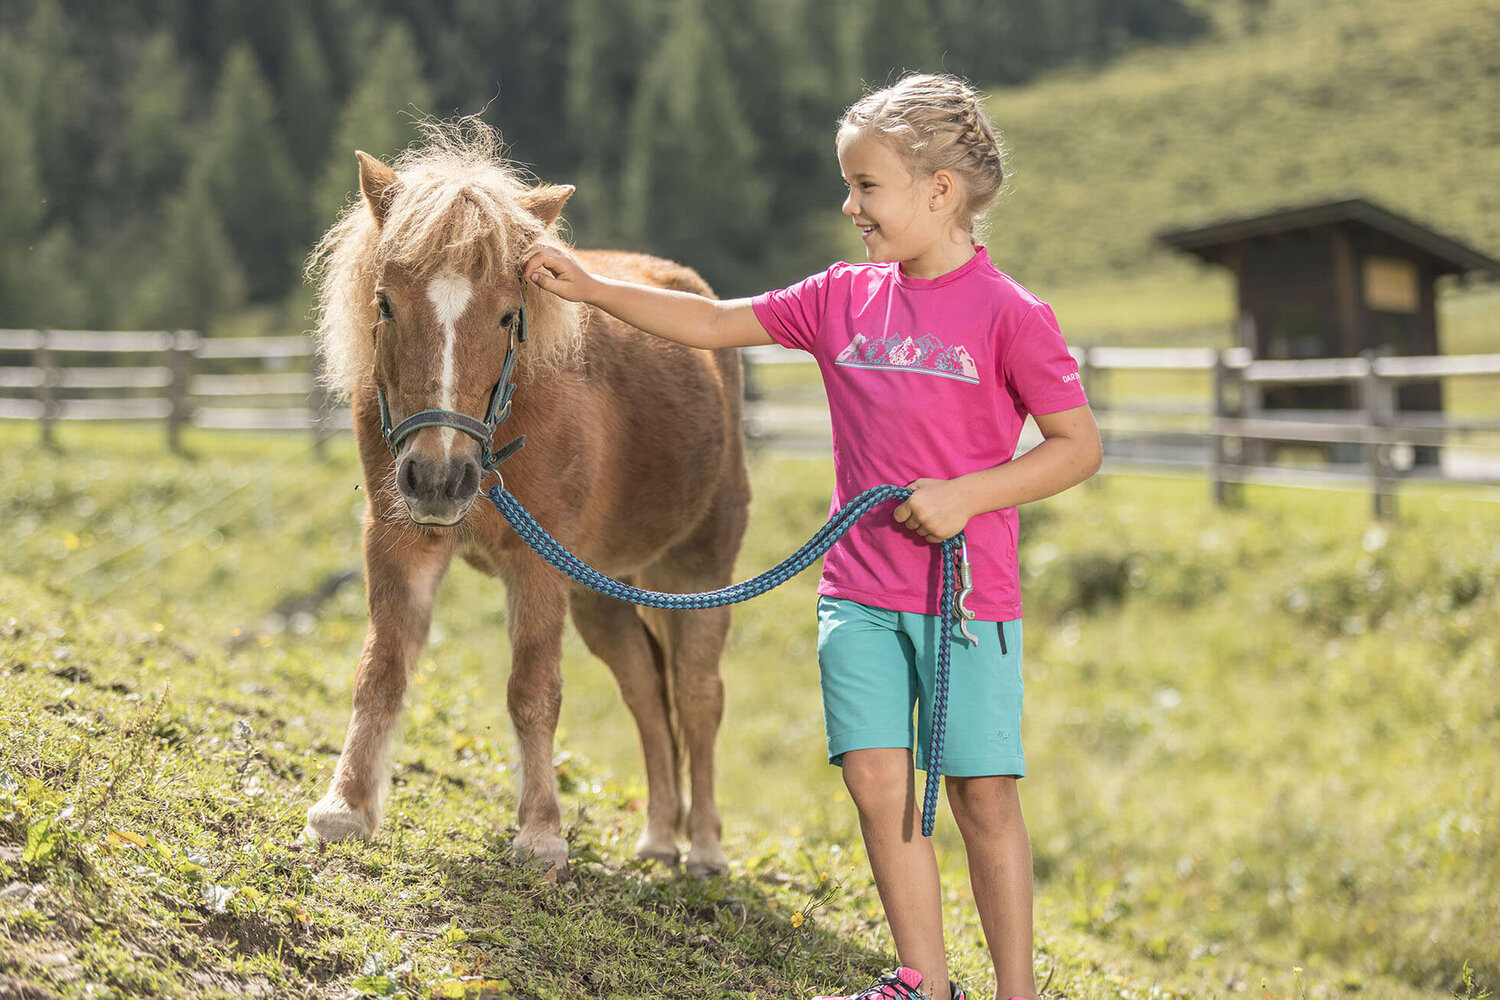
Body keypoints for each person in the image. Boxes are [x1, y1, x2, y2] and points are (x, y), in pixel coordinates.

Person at [523, 72, 1101, 1000]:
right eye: (848, 185)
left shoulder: (1011, 315)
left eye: (867, 186)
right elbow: (711, 322)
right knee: (876, 783)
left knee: (982, 795)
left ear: (939, 191)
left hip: (967, 603)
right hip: (858, 596)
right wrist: (591, 286)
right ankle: (923, 981)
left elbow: (1078, 447)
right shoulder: (841, 298)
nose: (849, 206)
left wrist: (969, 496)